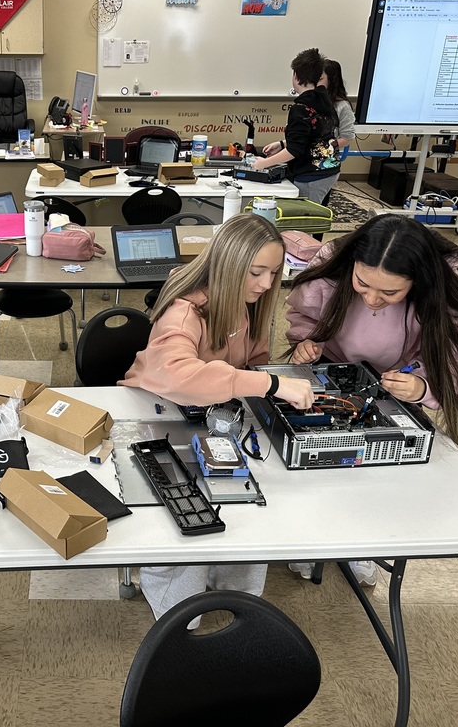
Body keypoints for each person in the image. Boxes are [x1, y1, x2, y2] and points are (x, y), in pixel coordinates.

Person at [120, 215, 316, 620]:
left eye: (274, 272)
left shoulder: (247, 306)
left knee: (247, 509)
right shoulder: (183, 313)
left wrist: (274, 375)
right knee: (185, 518)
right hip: (159, 415)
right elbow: (179, 375)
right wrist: (271, 386)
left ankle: (234, 592)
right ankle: (178, 598)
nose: (266, 284)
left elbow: (254, 363)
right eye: (256, 272)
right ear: (227, 266)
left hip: (211, 417)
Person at [284, 213, 458, 584]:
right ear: (353, 267)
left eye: (390, 293)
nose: (373, 299)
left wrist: (424, 386)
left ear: (418, 281)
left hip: (398, 384)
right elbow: (303, 314)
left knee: (374, 473)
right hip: (331, 370)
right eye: (362, 284)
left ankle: (361, 545)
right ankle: (308, 541)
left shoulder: (442, 283)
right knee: (319, 463)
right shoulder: (332, 263)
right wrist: (306, 344)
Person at [253, 47, 341, 205]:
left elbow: (295, 150)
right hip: (329, 169)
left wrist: (262, 164)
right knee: (316, 214)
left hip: (311, 175)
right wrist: (282, 144)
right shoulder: (324, 100)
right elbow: (317, 136)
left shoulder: (300, 108)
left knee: (304, 218)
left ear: (296, 76)